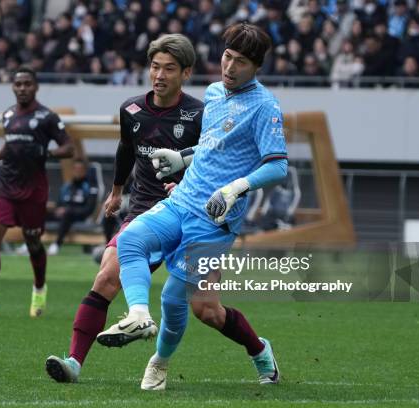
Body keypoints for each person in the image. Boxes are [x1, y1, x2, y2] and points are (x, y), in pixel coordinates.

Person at [98, 23, 288, 390]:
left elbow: (277, 164)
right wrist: (182, 158)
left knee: (184, 303)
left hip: (214, 221)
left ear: (257, 66)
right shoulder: (216, 92)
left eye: (241, 62)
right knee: (130, 240)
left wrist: (235, 188)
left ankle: (163, 362)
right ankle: (138, 315)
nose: (230, 68)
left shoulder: (265, 107)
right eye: (227, 57)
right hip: (182, 199)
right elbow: (217, 146)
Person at [45, 34, 204, 383]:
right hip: (143, 211)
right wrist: (116, 192)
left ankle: (258, 351)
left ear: (186, 73)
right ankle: (74, 362)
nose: (159, 75)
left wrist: (190, 183)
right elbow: (125, 150)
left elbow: (212, 163)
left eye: (169, 69)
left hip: (188, 215)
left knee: (209, 311)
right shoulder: (132, 110)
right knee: (105, 278)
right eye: (154, 67)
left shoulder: (198, 114)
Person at [0, 66, 74, 318]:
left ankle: (39, 289)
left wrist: (46, 152)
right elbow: (10, 143)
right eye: (18, 84)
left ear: (35, 87)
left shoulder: (47, 117)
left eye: (27, 84)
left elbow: (69, 148)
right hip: (4, 185)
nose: (22, 88)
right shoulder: (8, 115)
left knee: (33, 242)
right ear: (13, 87)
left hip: (33, 190)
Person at [47, 159, 98, 256]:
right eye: (75, 169)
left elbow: (89, 209)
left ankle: (56, 244)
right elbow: (59, 204)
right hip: (63, 215)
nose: (78, 171)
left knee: (68, 213)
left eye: (80, 169)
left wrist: (68, 211)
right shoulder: (67, 186)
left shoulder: (90, 186)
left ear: (84, 171)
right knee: (40, 211)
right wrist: (55, 209)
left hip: (80, 216)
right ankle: (31, 242)